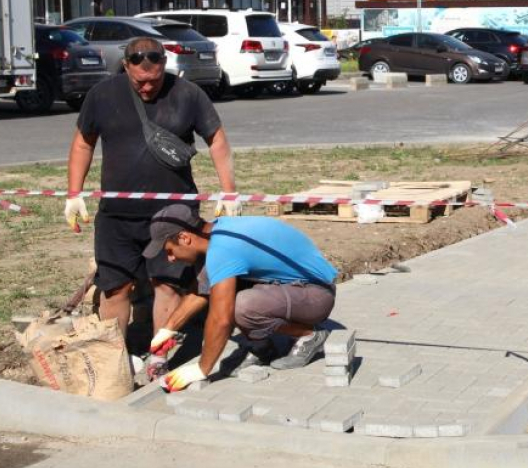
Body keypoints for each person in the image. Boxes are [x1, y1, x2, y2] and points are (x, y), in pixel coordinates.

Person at [65, 37, 241, 339]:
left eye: (154, 80)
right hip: (117, 216)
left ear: (164, 66)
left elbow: (217, 140)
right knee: (115, 287)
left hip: (174, 215)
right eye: (140, 82)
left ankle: (160, 359)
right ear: (126, 67)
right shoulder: (102, 95)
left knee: (168, 284)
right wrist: (73, 193)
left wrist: (228, 190)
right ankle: (115, 359)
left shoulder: (188, 94)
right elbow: (84, 143)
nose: (147, 87)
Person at [142, 205, 338, 392]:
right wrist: (168, 329)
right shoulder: (216, 233)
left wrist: (201, 368)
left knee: (239, 306)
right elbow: (201, 291)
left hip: (318, 294)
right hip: (291, 287)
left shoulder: (223, 249)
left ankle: (309, 335)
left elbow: (221, 319)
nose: (170, 258)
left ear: (184, 238)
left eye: (169, 250)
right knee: (227, 295)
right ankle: (263, 348)